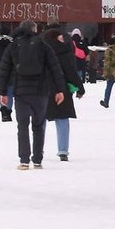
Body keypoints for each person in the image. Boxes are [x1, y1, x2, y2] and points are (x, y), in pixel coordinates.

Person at [0, 20, 66, 169]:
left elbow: (4, 69)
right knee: (38, 125)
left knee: (23, 126)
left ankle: (24, 160)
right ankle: (38, 160)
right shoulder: (43, 46)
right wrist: (60, 89)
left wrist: (3, 91)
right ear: (35, 29)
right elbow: (55, 68)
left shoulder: (13, 46)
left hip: (21, 92)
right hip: (41, 91)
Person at [43, 26, 85, 162]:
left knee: (40, 120)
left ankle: (38, 147)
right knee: (62, 119)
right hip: (62, 88)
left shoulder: (40, 51)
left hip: (42, 89)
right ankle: (63, 150)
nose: (63, 40)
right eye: (60, 38)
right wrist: (80, 87)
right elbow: (70, 72)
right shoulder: (65, 51)